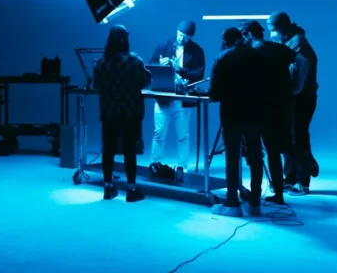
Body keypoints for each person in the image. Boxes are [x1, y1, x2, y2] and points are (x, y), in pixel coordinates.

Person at [241, 20, 308, 204]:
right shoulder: (278, 48)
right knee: (274, 151)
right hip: (281, 107)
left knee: (256, 152)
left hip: (257, 107)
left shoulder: (248, 53)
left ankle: (255, 195)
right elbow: (304, 62)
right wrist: (297, 87)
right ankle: (278, 194)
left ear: (247, 35)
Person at [209, 27, 265, 217]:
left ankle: (232, 203)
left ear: (225, 40)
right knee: (256, 157)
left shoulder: (222, 58)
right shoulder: (258, 56)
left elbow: (214, 94)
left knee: (232, 158)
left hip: (231, 114)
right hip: (255, 114)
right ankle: (255, 203)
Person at [93, 25, 151, 202]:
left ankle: (108, 187)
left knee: (108, 149)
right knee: (129, 150)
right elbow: (145, 80)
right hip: (130, 113)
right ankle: (131, 189)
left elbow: (96, 85)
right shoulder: (134, 61)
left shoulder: (101, 62)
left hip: (108, 112)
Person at [267, 12, 319, 195]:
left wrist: (297, 89)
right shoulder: (288, 41)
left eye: (272, 29)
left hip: (303, 99)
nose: (270, 33)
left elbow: (304, 65)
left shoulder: (298, 42)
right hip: (292, 99)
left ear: (281, 29)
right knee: (288, 137)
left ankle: (302, 181)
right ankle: (289, 178)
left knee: (299, 137)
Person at [149, 20, 205, 179]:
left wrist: (179, 69)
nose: (182, 39)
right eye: (181, 36)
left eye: (186, 37)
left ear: (191, 37)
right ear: (177, 32)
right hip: (164, 95)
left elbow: (199, 74)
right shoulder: (163, 45)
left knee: (183, 134)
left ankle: (182, 166)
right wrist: (160, 64)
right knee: (158, 133)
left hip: (183, 98)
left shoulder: (197, 51)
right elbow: (150, 65)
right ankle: (155, 164)